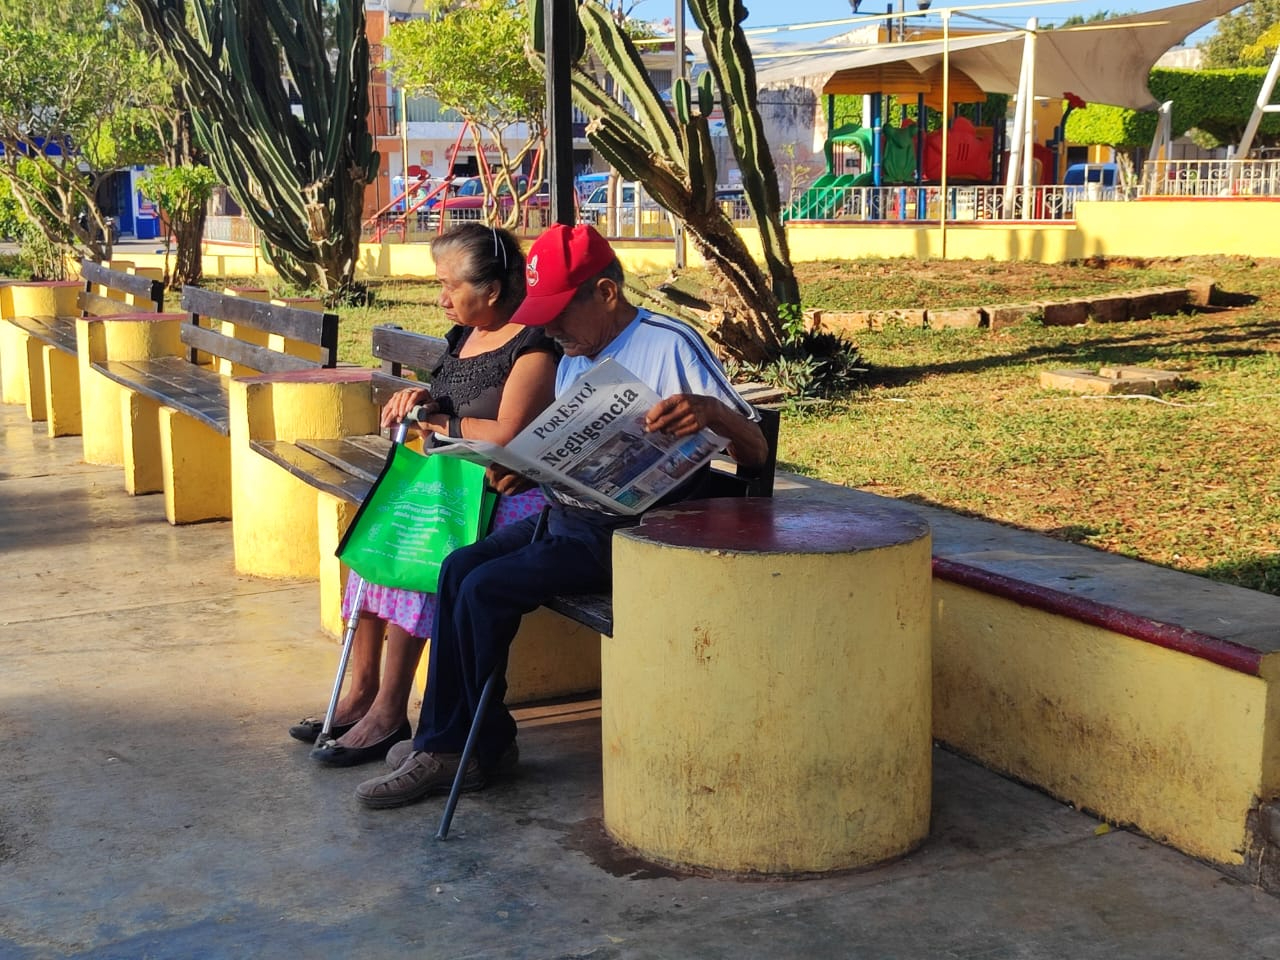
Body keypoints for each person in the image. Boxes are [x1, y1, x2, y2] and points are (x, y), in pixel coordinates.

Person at [354, 222, 767, 807]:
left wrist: (709, 413)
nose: (549, 328)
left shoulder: (668, 342)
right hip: (568, 514)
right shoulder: (575, 352)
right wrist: (530, 468)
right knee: (458, 569)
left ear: (605, 294)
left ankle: (454, 749)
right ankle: (469, 741)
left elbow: (756, 452)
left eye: (559, 313)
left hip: (633, 532)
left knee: (486, 588)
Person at [288, 222, 560, 766]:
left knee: (426, 551)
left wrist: (444, 424)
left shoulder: (533, 349)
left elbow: (506, 435)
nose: (441, 299)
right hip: (450, 484)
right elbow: (443, 404)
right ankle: (362, 693)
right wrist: (420, 396)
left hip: (505, 491)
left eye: (450, 286)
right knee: (378, 542)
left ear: (493, 289)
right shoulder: (465, 336)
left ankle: (390, 713)